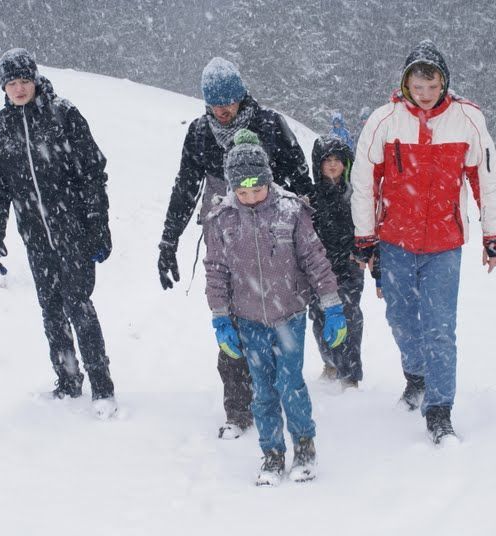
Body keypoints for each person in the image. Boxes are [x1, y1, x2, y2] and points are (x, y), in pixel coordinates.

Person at [350, 40, 496, 444]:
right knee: (401, 319)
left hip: (444, 245)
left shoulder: (467, 120)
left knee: (440, 328)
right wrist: (365, 238)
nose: (423, 95)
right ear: (405, 83)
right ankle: (416, 375)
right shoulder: (384, 121)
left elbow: (486, 181)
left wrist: (493, 236)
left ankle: (439, 411)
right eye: (417, 87)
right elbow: (363, 182)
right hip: (395, 242)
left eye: (431, 87)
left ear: (444, 83)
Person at [158, 57, 313, 440]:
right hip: (226, 237)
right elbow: (185, 187)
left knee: (276, 317)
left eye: (229, 101)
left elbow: (301, 179)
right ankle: (239, 409)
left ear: (241, 96)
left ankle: (282, 394)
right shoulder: (199, 134)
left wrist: (311, 233)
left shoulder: (270, 125)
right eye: (215, 103)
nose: (223, 110)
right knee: (231, 320)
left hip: (274, 238)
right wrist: (169, 239)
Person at [204, 129, 346, 485]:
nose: (250, 198)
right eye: (242, 192)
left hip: (289, 315)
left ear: (268, 179)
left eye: (257, 189)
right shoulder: (222, 218)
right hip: (248, 318)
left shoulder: (291, 211)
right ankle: (272, 453)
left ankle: (304, 445)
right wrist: (221, 319)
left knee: (290, 383)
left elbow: (315, 260)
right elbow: (216, 271)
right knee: (263, 390)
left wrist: (332, 307)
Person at [0, 48, 118, 419]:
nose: (19, 88)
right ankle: (68, 381)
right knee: (51, 309)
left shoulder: (63, 115)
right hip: (35, 235)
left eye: (25, 80)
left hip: (73, 230)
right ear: (3, 87)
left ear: (36, 80)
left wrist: (98, 225)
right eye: (12, 82)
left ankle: (102, 388)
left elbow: (93, 173)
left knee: (78, 304)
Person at [309, 135, 377, 388]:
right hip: (317, 267)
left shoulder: (356, 195)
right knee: (319, 316)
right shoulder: (311, 196)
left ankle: (350, 375)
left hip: (349, 265)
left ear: (346, 163)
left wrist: (362, 251)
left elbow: (367, 226)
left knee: (348, 317)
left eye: (338, 159)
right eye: (327, 159)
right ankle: (331, 363)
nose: (332, 164)